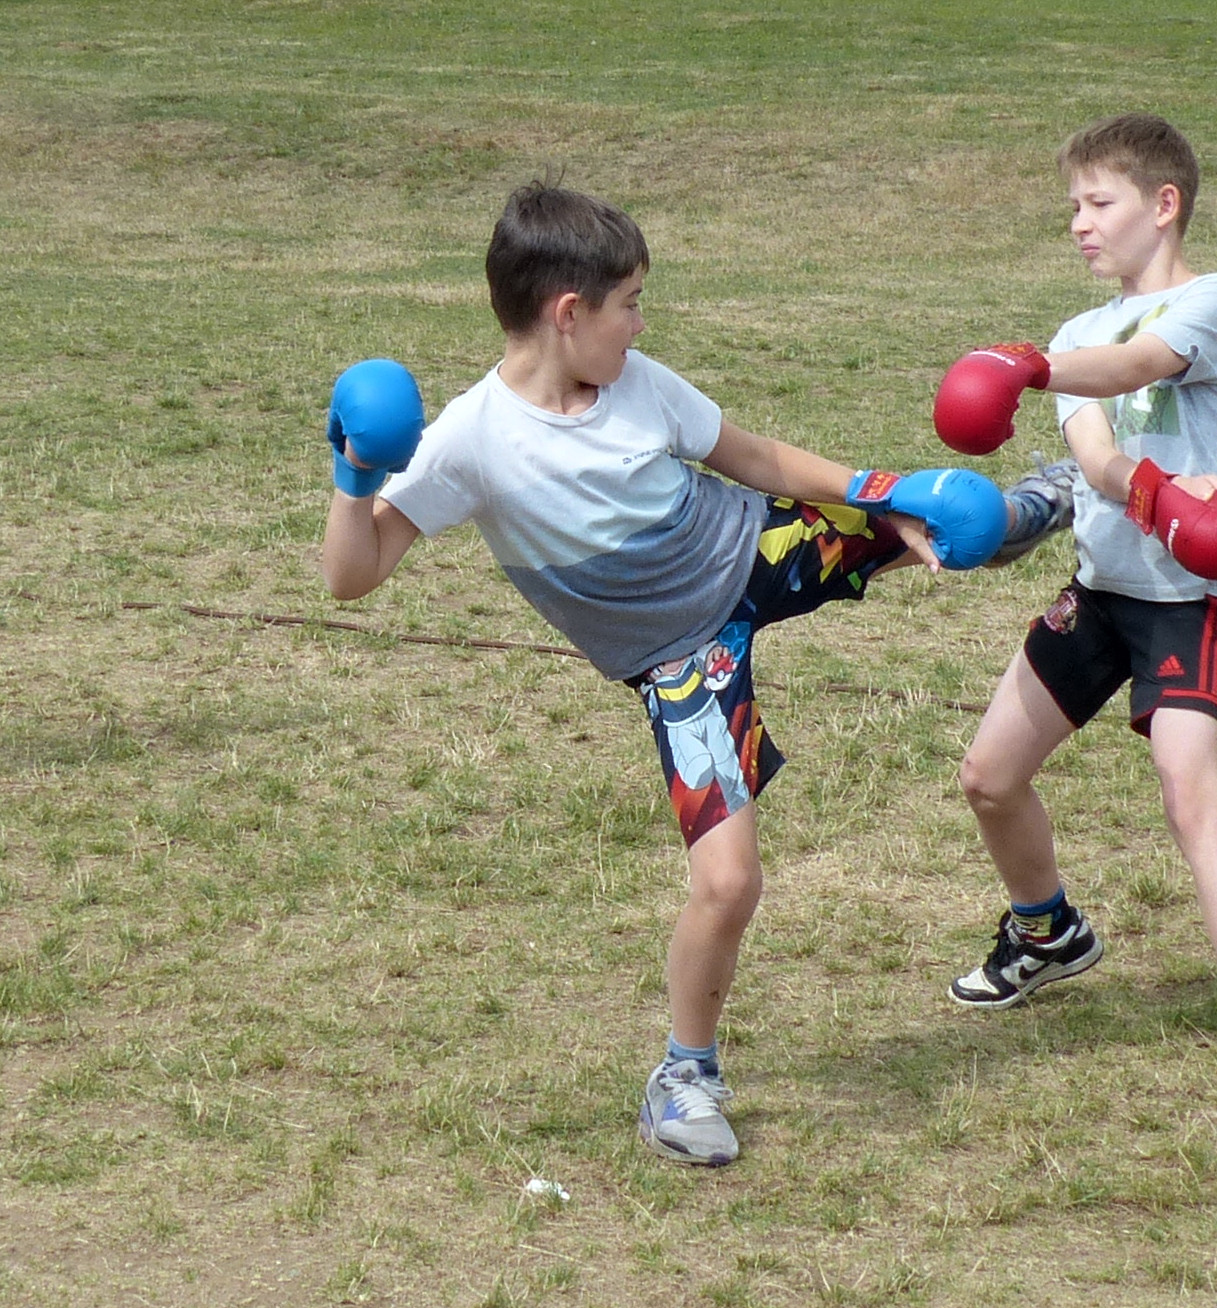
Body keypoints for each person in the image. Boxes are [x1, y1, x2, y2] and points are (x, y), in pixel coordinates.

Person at [319, 182, 1073, 1167]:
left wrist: (875, 491)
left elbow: (751, 457)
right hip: (683, 657)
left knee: (954, 520)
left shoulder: (637, 383)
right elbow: (353, 576)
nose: (641, 324)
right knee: (728, 881)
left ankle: (1048, 501)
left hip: (753, 547)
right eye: (629, 304)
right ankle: (684, 1078)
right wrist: (353, 477)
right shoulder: (469, 441)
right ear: (567, 313)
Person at [931, 114, 1217, 1148]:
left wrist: (1031, 370)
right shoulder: (1071, 333)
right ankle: (1047, 932)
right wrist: (1142, 487)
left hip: (1188, 599)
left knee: (1190, 790)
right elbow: (1094, 458)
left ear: (1163, 204)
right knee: (988, 777)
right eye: (1073, 206)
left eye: (1097, 202)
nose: (1078, 223)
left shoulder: (1209, 301)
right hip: (1102, 590)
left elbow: (1138, 361)